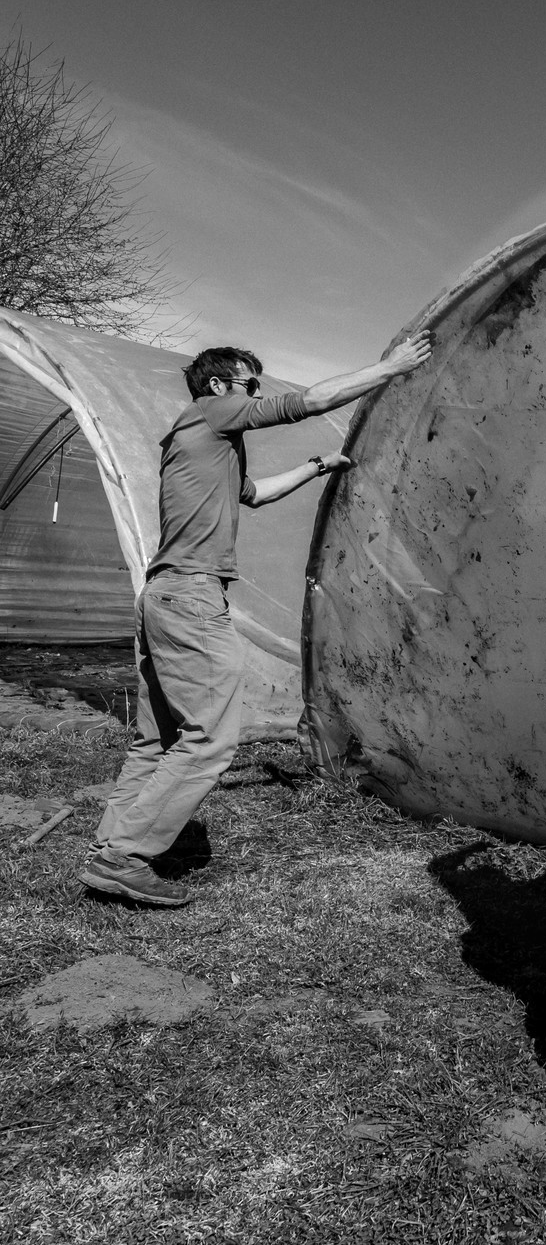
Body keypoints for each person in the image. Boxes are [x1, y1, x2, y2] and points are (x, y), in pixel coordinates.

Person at [78, 332, 434, 907]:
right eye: (249, 384)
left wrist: (318, 465)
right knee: (211, 739)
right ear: (220, 386)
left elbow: (256, 494)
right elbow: (309, 402)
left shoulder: (202, 446)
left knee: (159, 738)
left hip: (164, 595)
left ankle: (111, 847)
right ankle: (125, 857)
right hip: (191, 597)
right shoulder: (211, 413)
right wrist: (389, 368)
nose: (256, 393)